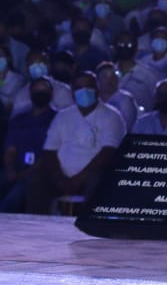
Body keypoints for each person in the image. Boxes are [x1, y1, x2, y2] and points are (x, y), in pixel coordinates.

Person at [26, 71, 126, 213]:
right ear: (72, 92)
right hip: (61, 176)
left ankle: (89, 226)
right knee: (37, 179)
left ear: (97, 89)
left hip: (91, 175)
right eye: (79, 87)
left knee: (98, 180)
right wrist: (59, 178)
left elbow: (108, 152)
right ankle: (36, 227)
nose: (84, 91)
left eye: (88, 86)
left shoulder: (111, 116)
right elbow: (49, 151)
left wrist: (78, 179)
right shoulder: (63, 116)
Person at [0, 77, 56, 213]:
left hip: (39, 171)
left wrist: (23, 174)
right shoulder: (19, 119)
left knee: (14, 196)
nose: (40, 94)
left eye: (43, 91)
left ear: (51, 94)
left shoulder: (56, 119)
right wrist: (11, 169)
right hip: (16, 167)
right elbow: (10, 150)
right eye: (36, 91)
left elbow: (49, 155)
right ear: (30, 94)